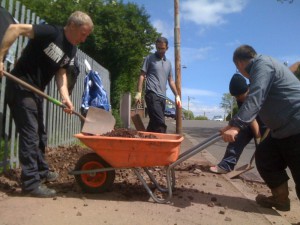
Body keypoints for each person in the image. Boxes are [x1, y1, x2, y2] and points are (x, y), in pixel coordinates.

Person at [0, 11, 94, 197]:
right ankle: (30, 184)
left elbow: (61, 73)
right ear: (73, 26)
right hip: (20, 85)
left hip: (36, 91)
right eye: (83, 34)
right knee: (30, 134)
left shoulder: (72, 49)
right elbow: (14, 28)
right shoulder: (51, 33)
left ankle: (42, 171)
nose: (84, 39)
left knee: (40, 134)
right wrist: (1, 58)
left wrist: (65, 97)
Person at [221, 44, 300, 211]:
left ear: (239, 63)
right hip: (281, 130)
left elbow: (255, 98)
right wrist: (231, 124)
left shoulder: (262, 66)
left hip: (296, 125)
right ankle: (280, 199)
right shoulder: (262, 69)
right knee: (265, 157)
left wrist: (237, 127)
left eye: (237, 68)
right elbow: (250, 101)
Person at [209, 74, 267, 174]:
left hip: (266, 124)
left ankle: (271, 175)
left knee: (266, 151)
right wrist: (227, 128)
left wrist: (258, 139)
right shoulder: (240, 98)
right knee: (237, 136)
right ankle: (226, 165)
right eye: (235, 96)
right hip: (250, 122)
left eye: (239, 96)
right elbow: (243, 117)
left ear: (247, 90)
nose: (237, 98)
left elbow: (253, 118)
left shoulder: (256, 93)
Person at [135, 37, 181, 133]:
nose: (160, 50)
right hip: (152, 94)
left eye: (162, 48)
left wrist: (177, 95)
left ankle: (146, 142)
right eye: (158, 48)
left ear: (167, 48)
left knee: (153, 123)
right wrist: (138, 92)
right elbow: (142, 76)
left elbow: (171, 81)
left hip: (162, 96)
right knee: (160, 123)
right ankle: (162, 146)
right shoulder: (149, 58)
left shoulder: (168, 63)